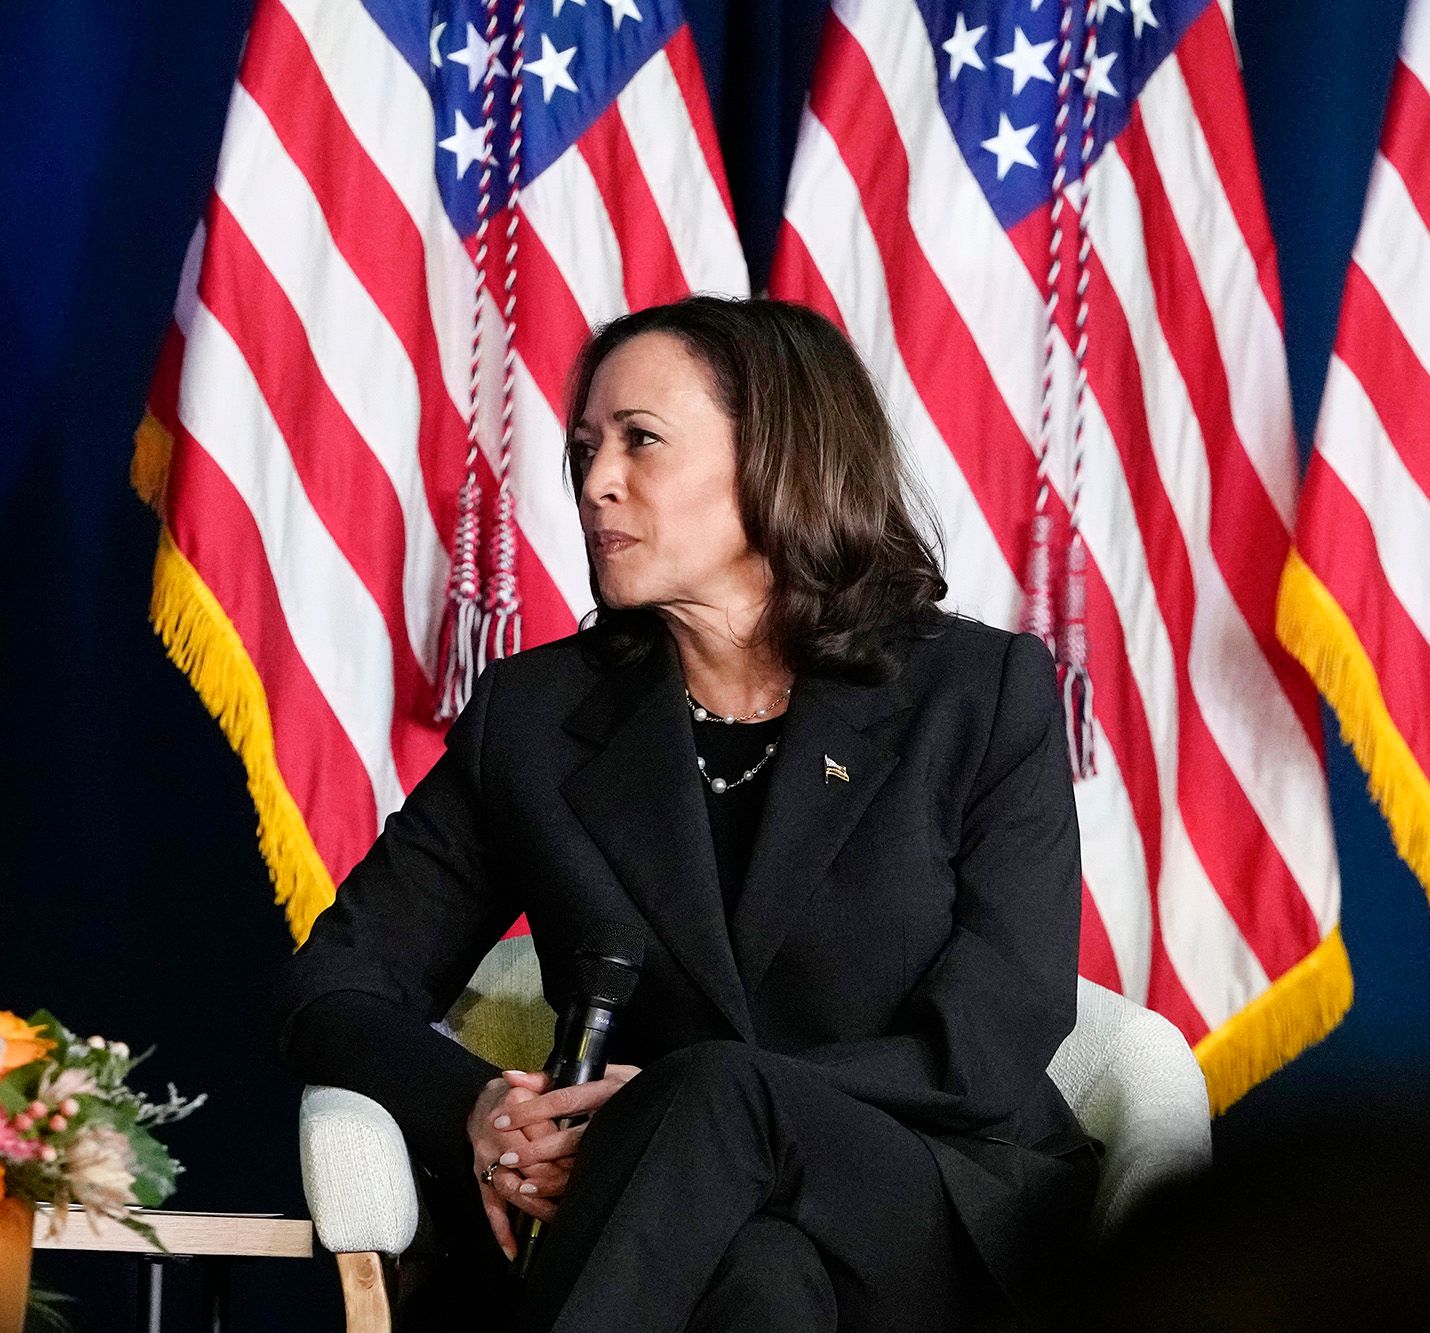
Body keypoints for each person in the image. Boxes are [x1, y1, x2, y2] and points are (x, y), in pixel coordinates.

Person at [274, 296, 1101, 1332]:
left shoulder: (974, 694)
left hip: (939, 1199)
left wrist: (659, 1111)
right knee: (760, 1282)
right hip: (683, 1233)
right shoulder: (534, 720)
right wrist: (481, 1111)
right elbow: (335, 985)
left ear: (776, 461)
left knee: (714, 1094)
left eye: (640, 442)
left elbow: (990, 1041)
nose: (594, 483)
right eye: (585, 449)